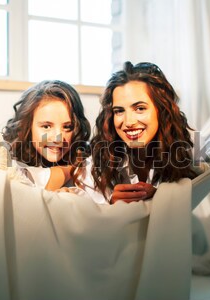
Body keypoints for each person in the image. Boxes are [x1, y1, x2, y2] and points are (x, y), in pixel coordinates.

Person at [84, 61, 199, 204]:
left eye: (140, 108)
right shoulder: (99, 158)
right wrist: (110, 202)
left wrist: (160, 196)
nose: (129, 122)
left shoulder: (191, 150)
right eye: (119, 111)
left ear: (161, 110)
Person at [2, 80, 91, 190]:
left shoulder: (87, 165)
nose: (57, 138)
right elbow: (42, 183)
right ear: (27, 126)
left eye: (67, 127)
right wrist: (71, 167)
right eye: (46, 126)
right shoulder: (10, 161)